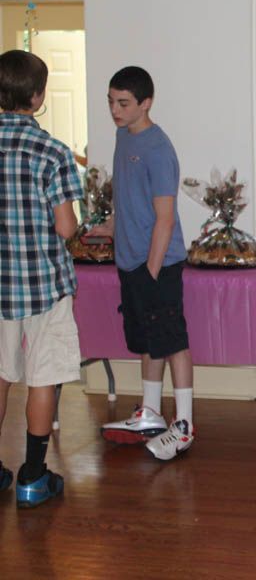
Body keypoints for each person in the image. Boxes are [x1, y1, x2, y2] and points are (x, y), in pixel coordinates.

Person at [89, 66, 195, 461]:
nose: (115, 111)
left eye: (123, 103)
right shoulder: (123, 137)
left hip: (158, 264)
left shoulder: (158, 149)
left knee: (172, 341)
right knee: (148, 341)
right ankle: (150, 412)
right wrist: (113, 226)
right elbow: (132, 199)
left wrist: (150, 272)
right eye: (111, 102)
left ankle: (183, 426)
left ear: (145, 103)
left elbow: (165, 219)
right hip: (131, 262)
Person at [0, 49, 83, 507]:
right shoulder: (52, 151)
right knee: (42, 376)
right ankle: (33, 477)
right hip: (43, 285)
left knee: (0, 374)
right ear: (38, 96)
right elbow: (66, 228)